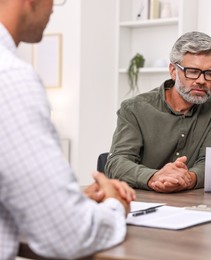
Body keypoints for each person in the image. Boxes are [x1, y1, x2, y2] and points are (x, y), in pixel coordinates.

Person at [0, 0, 136, 259]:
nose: (54, 7)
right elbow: (69, 234)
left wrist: (63, 198)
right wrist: (114, 206)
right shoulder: (11, 78)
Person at [105, 31, 211, 193]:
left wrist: (188, 179)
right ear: (173, 71)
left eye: (210, 73)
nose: (202, 80)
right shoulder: (134, 108)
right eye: (192, 71)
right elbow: (117, 162)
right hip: (142, 203)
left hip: (193, 204)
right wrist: (154, 177)